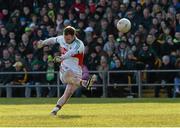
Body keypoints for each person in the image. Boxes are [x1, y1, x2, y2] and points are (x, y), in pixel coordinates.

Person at [37, 26, 96, 116]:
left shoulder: (79, 45)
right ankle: (84, 83)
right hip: (65, 70)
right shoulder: (62, 39)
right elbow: (53, 40)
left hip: (77, 72)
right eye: (65, 38)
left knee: (68, 93)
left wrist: (61, 58)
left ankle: (55, 110)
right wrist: (43, 42)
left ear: (73, 36)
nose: (66, 40)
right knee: (68, 75)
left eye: (68, 39)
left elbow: (70, 53)